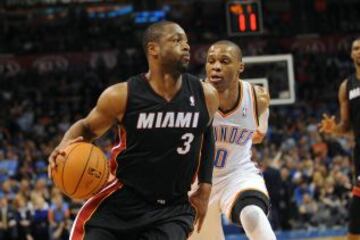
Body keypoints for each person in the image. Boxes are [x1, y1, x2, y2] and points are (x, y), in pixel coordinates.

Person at [48, 21, 219, 240]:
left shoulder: (206, 95)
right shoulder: (121, 96)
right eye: (176, 40)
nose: (186, 46)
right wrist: (65, 143)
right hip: (123, 200)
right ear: (153, 49)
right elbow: (87, 127)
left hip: (172, 210)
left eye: (186, 41)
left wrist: (204, 188)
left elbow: (207, 133)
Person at [189, 40, 276, 240]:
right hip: (197, 183)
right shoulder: (192, 98)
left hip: (237, 175)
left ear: (240, 67)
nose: (216, 66)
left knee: (253, 215)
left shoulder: (258, 99)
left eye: (225, 61)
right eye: (211, 61)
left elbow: (258, 136)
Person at [319, 37, 360, 240]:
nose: (359, 51)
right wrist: (333, 129)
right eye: (356, 48)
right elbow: (346, 126)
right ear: (351, 54)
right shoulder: (347, 86)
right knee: (358, 197)